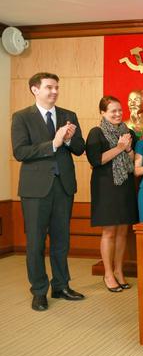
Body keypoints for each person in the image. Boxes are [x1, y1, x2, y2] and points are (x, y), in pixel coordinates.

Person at [11, 72, 86, 311]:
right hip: (35, 190)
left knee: (61, 240)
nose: (54, 91)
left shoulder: (68, 115)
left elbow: (80, 148)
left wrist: (68, 140)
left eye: (56, 87)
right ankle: (39, 291)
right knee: (35, 243)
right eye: (49, 87)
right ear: (35, 89)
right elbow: (20, 152)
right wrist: (53, 143)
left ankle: (61, 286)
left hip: (63, 187)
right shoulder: (22, 117)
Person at [85, 96, 138, 292]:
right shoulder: (96, 133)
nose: (117, 114)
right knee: (109, 232)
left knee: (123, 231)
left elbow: (133, 161)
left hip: (125, 186)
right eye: (112, 111)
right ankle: (108, 273)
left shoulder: (128, 132)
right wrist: (119, 148)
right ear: (102, 113)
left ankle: (119, 271)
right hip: (105, 187)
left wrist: (129, 148)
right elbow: (96, 160)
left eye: (119, 110)